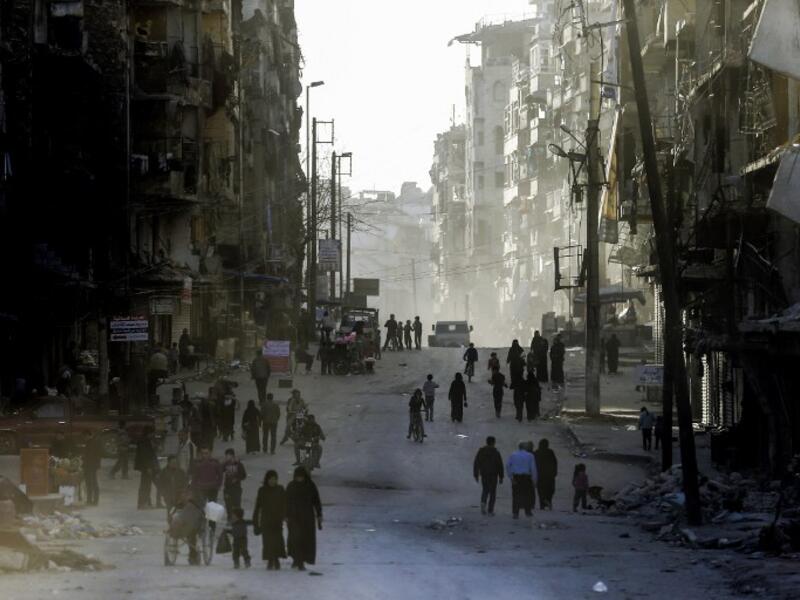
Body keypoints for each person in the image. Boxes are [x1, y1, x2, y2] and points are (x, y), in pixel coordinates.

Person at [285, 466, 322, 571]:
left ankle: (301, 561)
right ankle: (296, 559)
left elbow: (316, 501)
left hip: (307, 518)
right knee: (295, 539)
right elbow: (286, 502)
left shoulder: (310, 486)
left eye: (301, 477)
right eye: (297, 477)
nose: (299, 479)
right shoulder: (291, 486)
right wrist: (286, 515)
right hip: (293, 517)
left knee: (304, 540)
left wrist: (319, 514)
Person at [252, 470, 287, 570]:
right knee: (267, 541)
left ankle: (276, 559)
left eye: (275, 479)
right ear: (267, 480)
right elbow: (258, 506)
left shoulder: (280, 489)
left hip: (277, 519)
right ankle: (270, 560)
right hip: (266, 519)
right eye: (271, 479)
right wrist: (255, 521)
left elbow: (284, 504)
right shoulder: (262, 490)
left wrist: (284, 515)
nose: (273, 481)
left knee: (277, 540)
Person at [473, 436, 504, 516]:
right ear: (493, 442)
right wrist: (501, 476)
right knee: (493, 493)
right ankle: (490, 510)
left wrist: (476, 474)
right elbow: (500, 465)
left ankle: (483, 506)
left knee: (485, 490)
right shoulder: (496, 452)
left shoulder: (481, 451)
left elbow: (476, 463)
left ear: (486, 442)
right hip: (493, 475)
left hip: (484, 474)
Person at [507, 442, 537, 518]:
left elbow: (508, 466)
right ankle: (528, 511)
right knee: (527, 495)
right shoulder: (530, 456)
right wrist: (534, 480)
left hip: (516, 477)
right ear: (526, 447)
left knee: (516, 495)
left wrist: (511, 477)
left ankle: (515, 513)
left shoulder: (513, 455)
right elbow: (533, 469)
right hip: (526, 478)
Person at [134, 429, 158, 509]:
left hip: (146, 467)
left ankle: (145, 503)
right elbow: (145, 456)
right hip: (146, 468)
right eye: (152, 433)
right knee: (145, 486)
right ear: (149, 433)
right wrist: (148, 467)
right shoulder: (144, 442)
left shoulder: (146, 441)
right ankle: (142, 503)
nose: (154, 435)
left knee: (146, 485)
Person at [535, 439, 557, 510]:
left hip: (540, 475)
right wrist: (554, 472)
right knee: (550, 490)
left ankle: (542, 504)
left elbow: (534, 464)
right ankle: (548, 500)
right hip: (549, 475)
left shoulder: (537, 452)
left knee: (541, 490)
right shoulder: (550, 452)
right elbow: (554, 463)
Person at [222, 448, 247, 512]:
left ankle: (237, 520)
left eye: (228, 455)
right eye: (226, 455)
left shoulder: (239, 464)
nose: (226, 457)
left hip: (236, 489)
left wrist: (237, 479)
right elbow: (219, 470)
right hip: (227, 488)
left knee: (237, 507)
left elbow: (244, 475)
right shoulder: (225, 464)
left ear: (232, 456)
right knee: (228, 507)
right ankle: (230, 519)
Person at [81, 431, 102, 506]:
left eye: (85, 436)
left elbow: (96, 455)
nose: (85, 438)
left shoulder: (94, 443)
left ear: (89, 435)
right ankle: (89, 500)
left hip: (92, 466)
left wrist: (96, 465)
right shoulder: (88, 443)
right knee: (89, 483)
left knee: (93, 483)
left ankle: (95, 500)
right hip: (88, 466)